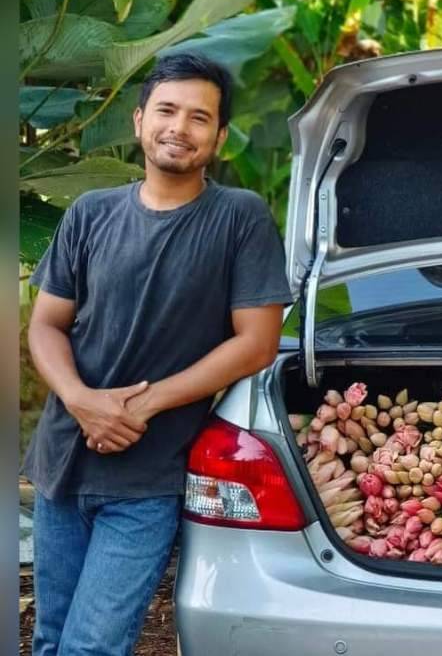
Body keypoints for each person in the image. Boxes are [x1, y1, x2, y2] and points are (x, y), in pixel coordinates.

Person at [24, 53, 293, 656]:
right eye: (167, 110)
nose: (180, 128)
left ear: (219, 138)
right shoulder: (91, 212)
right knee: (50, 640)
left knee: (91, 647)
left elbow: (256, 342)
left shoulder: (239, 218)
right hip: (62, 461)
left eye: (200, 117)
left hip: (147, 478)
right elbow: (46, 324)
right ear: (140, 120)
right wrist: (81, 400)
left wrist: (141, 407)